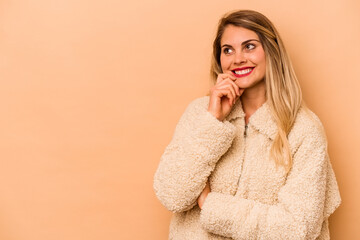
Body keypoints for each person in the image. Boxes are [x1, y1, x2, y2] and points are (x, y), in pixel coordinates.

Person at [153, 9, 341, 240]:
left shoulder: (303, 129)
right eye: (227, 50)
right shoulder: (200, 114)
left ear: (271, 51)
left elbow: (297, 228)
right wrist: (213, 120)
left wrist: (211, 205)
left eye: (249, 46)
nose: (237, 58)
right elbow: (172, 195)